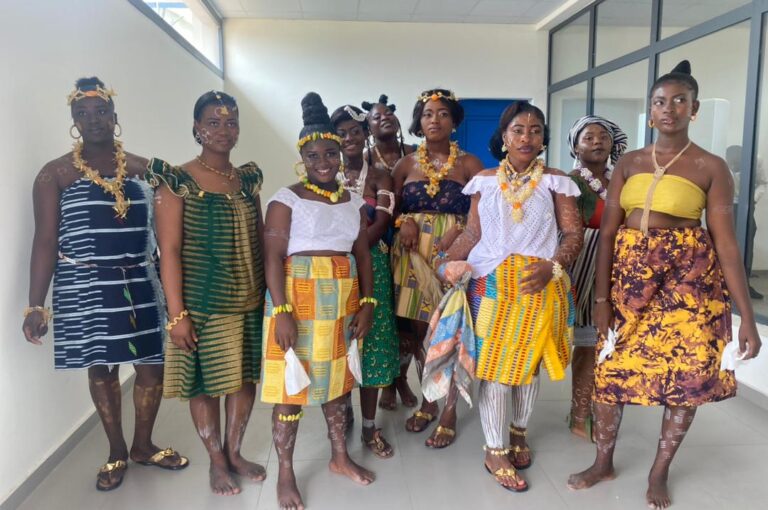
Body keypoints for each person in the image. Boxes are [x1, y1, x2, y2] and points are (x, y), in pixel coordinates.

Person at [567, 60, 762, 510]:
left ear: (694, 110)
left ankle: (659, 470)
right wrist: (600, 299)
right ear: (649, 112)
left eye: (679, 101)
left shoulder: (710, 167)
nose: (669, 108)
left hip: (690, 285)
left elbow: (727, 246)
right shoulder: (630, 163)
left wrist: (745, 317)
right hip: (630, 281)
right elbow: (610, 235)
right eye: (660, 102)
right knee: (610, 373)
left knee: (688, 377)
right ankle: (604, 460)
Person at [23, 77, 188, 492]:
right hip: (86, 284)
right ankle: (116, 450)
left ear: (114, 117)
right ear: (74, 121)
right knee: (103, 368)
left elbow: (183, 193)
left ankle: (143, 445)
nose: (92, 119)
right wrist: (35, 306)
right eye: (82, 113)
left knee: (152, 366)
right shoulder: (53, 174)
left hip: (140, 279)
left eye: (101, 111)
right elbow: (45, 240)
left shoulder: (141, 167)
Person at [441, 101, 583, 491]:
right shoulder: (484, 180)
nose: (526, 137)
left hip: (539, 284)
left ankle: (519, 431)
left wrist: (552, 267)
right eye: (518, 129)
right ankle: (495, 448)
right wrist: (445, 263)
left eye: (535, 130)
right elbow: (473, 235)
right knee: (498, 372)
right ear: (503, 137)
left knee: (529, 367)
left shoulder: (556, 181)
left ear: (543, 138)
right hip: (490, 286)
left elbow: (573, 234)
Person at [261, 92, 376, 510]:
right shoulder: (286, 198)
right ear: (302, 158)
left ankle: (339, 457)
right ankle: (286, 472)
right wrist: (281, 311)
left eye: (331, 153)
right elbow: (273, 256)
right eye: (314, 156)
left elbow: (362, 255)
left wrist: (368, 303)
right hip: (297, 301)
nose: (324, 162)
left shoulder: (351, 201)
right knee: (291, 390)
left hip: (341, 301)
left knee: (337, 384)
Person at [147, 91, 265, 496]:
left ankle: (234, 452)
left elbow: (260, 238)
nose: (223, 129)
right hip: (201, 304)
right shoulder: (175, 181)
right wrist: (177, 315)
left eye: (230, 122)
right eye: (213, 122)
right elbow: (170, 252)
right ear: (197, 128)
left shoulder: (248, 178)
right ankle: (216, 461)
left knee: (244, 380)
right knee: (204, 384)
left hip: (249, 299)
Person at [392, 88, 484, 448]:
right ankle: (428, 399)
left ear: (454, 120)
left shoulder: (470, 164)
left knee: (450, 331)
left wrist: (461, 230)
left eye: (443, 113)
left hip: (454, 256)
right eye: (428, 114)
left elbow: (485, 213)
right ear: (419, 121)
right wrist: (404, 222)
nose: (435, 120)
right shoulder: (404, 165)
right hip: (412, 258)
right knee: (419, 336)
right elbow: (389, 210)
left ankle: (449, 410)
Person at [331, 104, 398, 458]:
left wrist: (354, 250)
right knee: (338, 343)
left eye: (355, 131)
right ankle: (341, 419)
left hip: (371, 265)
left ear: (365, 134)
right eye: (341, 133)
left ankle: (371, 427)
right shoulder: (324, 175)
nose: (348, 138)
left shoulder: (381, 177)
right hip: (335, 270)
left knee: (371, 344)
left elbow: (382, 223)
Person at [565, 115, 628, 440]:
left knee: (607, 343)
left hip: (618, 267)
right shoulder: (569, 182)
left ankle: (593, 405)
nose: (597, 142)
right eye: (588, 138)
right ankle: (579, 413)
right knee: (587, 343)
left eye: (603, 137)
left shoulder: (624, 180)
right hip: (583, 268)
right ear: (575, 146)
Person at [361, 94, 418, 411]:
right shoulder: (364, 161)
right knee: (385, 316)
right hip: (378, 245)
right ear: (367, 126)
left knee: (407, 316)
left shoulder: (413, 155)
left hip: (412, 243)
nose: (384, 118)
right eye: (375, 116)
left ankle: (402, 379)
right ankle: (384, 382)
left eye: (388, 114)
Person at [726, 144, 766, 299]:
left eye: (737, 166)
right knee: (726, 243)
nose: (734, 168)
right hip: (728, 204)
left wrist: (752, 200)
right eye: (732, 166)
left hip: (748, 203)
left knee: (747, 242)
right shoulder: (720, 163)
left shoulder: (757, 162)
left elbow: (763, 182)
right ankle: (725, 285)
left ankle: (745, 285)